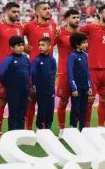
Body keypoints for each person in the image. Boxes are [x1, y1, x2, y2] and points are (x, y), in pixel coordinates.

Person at [79, 4, 105, 127]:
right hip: (92, 70)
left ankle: (100, 127)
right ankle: (85, 127)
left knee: (104, 100)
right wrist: (83, 46)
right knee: (89, 100)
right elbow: (75, 32)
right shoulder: (91, 27)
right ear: (100, 14)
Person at [24, 2, 57, 130]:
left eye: (49, 8)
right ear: (37, 12)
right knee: (31, 102)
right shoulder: (29, 26)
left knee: (47, 103)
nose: (48, 11)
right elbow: (16, 35)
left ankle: (45, 129)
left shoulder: (53, 26)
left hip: (48, 72)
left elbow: (54, 41)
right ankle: (28, 129)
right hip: (34, 70)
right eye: (44, 9)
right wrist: (24, 46)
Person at [0, 2, 24, 136]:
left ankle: (17, 130)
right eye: (14, 11)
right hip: (4, 72)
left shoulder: (21, 27)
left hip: (18, 73)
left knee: (19, 102)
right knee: (2, 101)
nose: (17, 14)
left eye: (18, 11)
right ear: (6, 12)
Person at [55, 9, 80, 138]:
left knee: (78, 102)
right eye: (73, 17)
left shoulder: (81, 34)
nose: (76, 19)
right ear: (66, 19)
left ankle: (73, 128)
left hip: (79, 72)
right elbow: (48, 44)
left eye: (78, 17)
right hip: (64, 72)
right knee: (63, 102)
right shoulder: (60, 33)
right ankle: (61, 129)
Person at [0, 36, 30, 131]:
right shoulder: (9, 59)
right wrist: (10, 85)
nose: (21, 47)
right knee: (13, 113)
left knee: (22, 112)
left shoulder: (25, 58)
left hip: (25, 90)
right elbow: (1, 74)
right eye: (18, 45)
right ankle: (12, 134)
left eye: (22, 45)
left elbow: (28, 72)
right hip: (13, 91)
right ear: (11, 47)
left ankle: (20, 132)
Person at [31, 37, 57, 130]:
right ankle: (39, 128)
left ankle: (48, 127)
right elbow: (33, 73)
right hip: (40, 90)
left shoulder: (52, 60)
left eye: (43, 45)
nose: (40, 47)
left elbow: (54, 72)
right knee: (42, 109)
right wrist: (34, 87)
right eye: (39, 45)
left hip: (50, 89)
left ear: (49, 46)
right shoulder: (37, 60)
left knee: (50, 110)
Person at [67, 32, 92, 131]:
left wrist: (89, 86)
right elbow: (70, 72)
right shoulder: (72, 56)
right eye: (84, 42)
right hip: (76, 88)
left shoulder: (85, 55)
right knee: (75, 109)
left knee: (84, 109)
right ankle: (72, 128)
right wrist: (73, 88)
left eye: (86, 42)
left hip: (85, 87)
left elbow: (87, 72)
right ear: (77, 44)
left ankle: (82, 129)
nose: (86, 44)